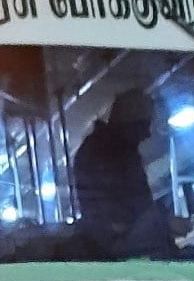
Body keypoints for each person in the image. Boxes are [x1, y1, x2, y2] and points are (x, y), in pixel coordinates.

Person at [72, 88, 178, 259]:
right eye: (146, 123)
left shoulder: (104, 149)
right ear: (132, 122)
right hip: (120, 254)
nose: (148, 133)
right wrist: (162, 223)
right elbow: (120, 214)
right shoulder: (109, 152)